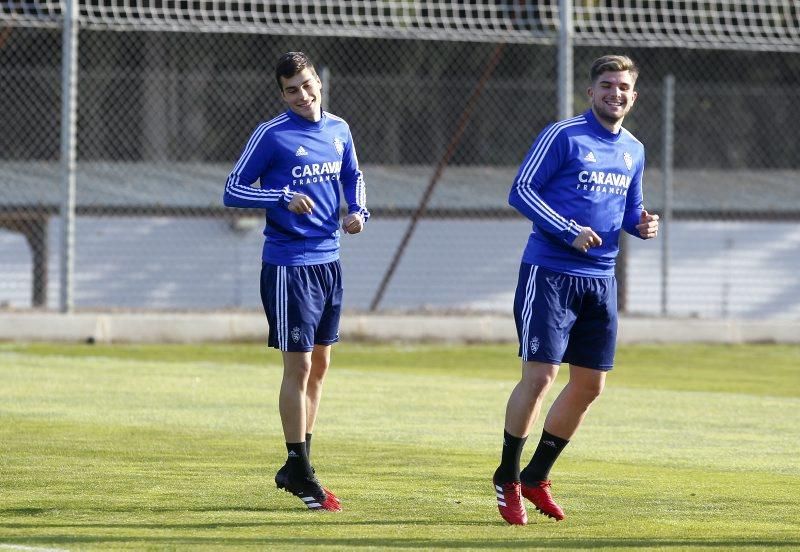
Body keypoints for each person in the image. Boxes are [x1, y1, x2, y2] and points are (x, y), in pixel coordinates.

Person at [493, 54, 659, 525]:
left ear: (633, 95)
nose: (616, 92)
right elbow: (521, 191)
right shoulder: (564, 135)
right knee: (541, 378)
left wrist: (642, 225)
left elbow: (632, 209)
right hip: (550, 274)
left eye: (624, 86)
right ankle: (506, 478)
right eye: (607, 84)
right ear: (591, 92)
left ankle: (536, 476)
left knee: (589, 385)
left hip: (601, 280)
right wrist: (566, 229)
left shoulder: (634, 149)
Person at [223, 51, 369, 512]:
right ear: (281, 93)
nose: (303, 96)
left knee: (321, 366)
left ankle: (300, 462)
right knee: (299, 367)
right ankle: (297, 465)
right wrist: (281, 196)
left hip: (330, 261)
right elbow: (232, 189)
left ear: (318, 82)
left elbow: (353, 176)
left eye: (308, 85)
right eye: (292, 90)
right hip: (289, 265)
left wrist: (357, 211)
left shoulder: (338, 129)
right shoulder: (272, 134)